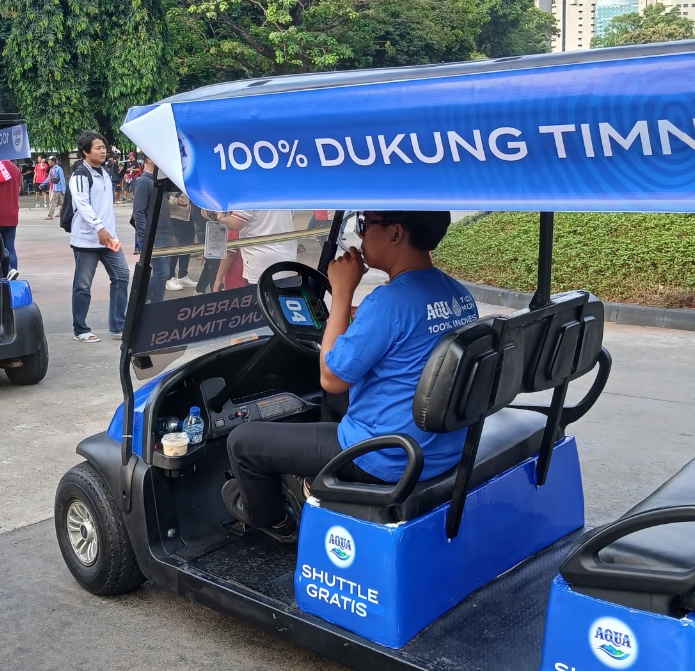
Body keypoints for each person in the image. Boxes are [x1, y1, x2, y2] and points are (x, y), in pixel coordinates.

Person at [222, 211, 478, 543]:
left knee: (243, 442)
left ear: (396, 233)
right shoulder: (457, 294)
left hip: (385, 457)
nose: (360, 235)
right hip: (439, 448)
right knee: (333, 401)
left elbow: (330, 377)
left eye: (365, 225)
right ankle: (318, 486)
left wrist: (342, 292)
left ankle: (275, 521)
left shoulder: (388, 303)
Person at [69, 131, 129, 342]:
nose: (103, 151)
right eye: (98, 148)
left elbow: (106, 209)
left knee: (122, 276)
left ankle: (118, 326)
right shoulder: (80, 175)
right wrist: (98, 228)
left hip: (108, 239)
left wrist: (109, 232)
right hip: (87, 240)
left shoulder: (103, 172)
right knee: (83, 285)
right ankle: (81, 329)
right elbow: (82, 205)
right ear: (85, 152)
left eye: (104, 147)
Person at [130, 156, 175, 301]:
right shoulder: (144, 181)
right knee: (162, 273)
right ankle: (140, 302)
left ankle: (156, 305)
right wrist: (146, 238)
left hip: (163, 234)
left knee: (162, 274)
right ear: (149, 159)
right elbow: (138, 213)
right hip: (155, 236)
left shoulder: (158, 181)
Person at [219, 209, 298, 285]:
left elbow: (235, 223)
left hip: (260, 265)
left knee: (261, 297)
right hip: (287, 260)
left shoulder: (248, 195)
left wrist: (217, 218)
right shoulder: (285, 195)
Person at [168, 191, 198, 288]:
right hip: (175, 218)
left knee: (187, 247)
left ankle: (182, 276)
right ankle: (169, 278)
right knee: (175, 249)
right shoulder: (173, 179)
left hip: (189, 219)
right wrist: (176, 201)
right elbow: (164, 197)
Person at [44, 155, 66, 220]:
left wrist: (64, 190)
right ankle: (65, 213)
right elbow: (49, 178)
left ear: (53, 162)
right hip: (52, 188)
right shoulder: (51, 169)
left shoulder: (59, 169)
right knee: (61, 203)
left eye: (49, 161)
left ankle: (50, 215)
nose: (48, 162)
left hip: (57, 189)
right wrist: (43, 184)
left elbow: (62, 179)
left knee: (52, 202)